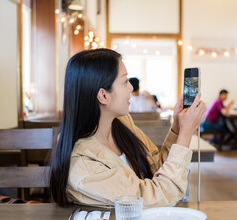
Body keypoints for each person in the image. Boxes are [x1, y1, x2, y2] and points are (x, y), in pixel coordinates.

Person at [49, 49, 206, 208]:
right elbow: (159, 197)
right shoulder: (83, 166)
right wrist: (186, 135)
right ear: (103, 95)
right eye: (125, 81)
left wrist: (177, 129)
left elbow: (157, 170)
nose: (131, 87)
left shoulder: (122, 123)